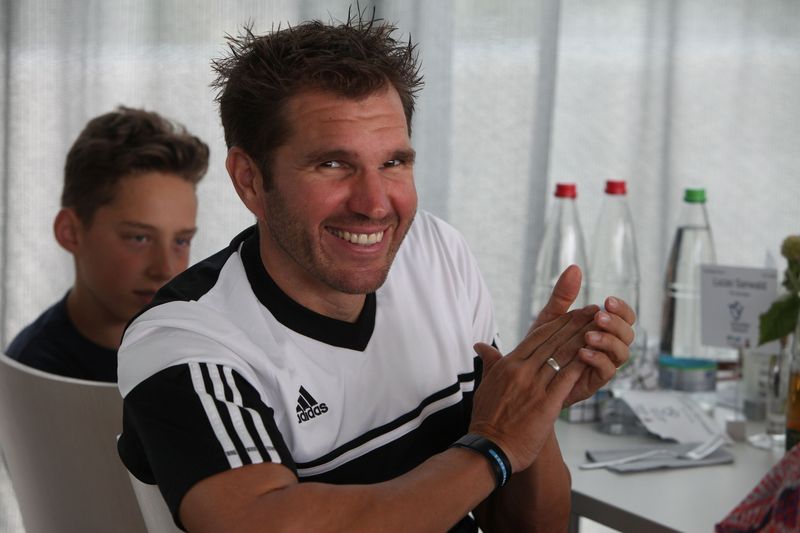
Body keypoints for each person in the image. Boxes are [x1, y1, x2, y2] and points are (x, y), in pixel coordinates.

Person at [117, 13, 635, 533]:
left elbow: (528, 526)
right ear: (249, 179)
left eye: (393, 163)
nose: (375, 205)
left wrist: (535, 399)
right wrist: (494, 446)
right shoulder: (185, 340)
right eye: (333, 165)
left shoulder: (436, 253)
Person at [5, 107, 209, 382]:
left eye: (181, 241)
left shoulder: (204, 349)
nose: (165, 269)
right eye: (139, 238)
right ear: (70, 233)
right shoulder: (32, 376)